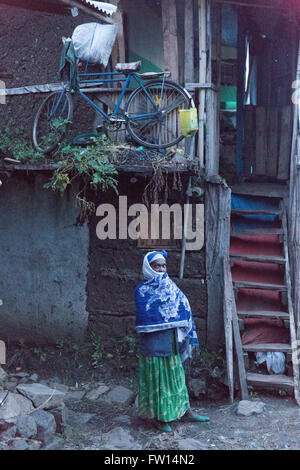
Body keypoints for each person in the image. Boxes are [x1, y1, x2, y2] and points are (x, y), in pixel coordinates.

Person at [135, 249, 209, 432]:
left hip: (170, 340)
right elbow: (146, 315)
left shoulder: (170, 285)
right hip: (152, 343)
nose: (161, 269)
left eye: (163, 266)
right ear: (148, 268)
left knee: (176, 376)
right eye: (156, 266)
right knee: (158, 379)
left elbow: (183, 304)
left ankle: (184, 410)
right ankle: (158, 418)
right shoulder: (141, 291)